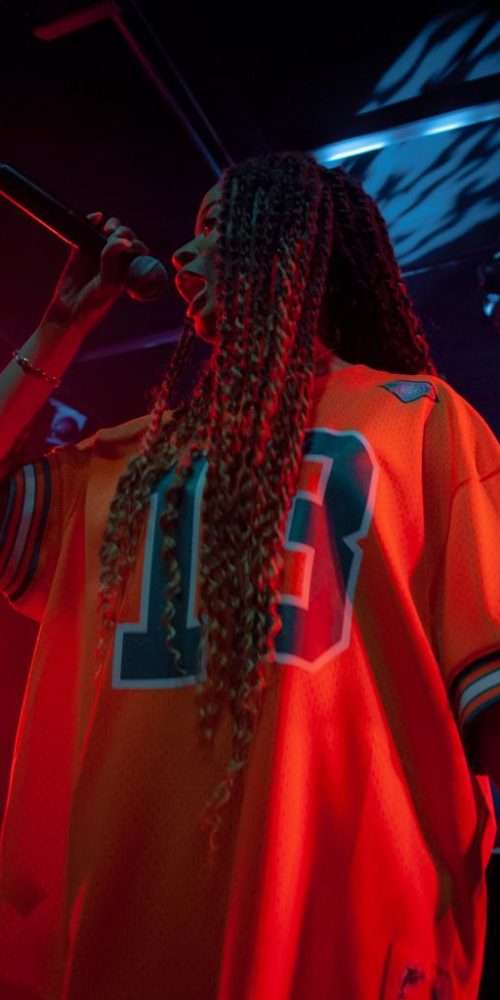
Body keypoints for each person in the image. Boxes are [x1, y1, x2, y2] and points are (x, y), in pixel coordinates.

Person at [0, 149, 498, 999]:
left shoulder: (419, 420)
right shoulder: (119, 464)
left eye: (216, 228)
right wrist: (59, 329)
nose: (183, 254)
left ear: (293, 244)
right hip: (119, 945)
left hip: (347, 949)